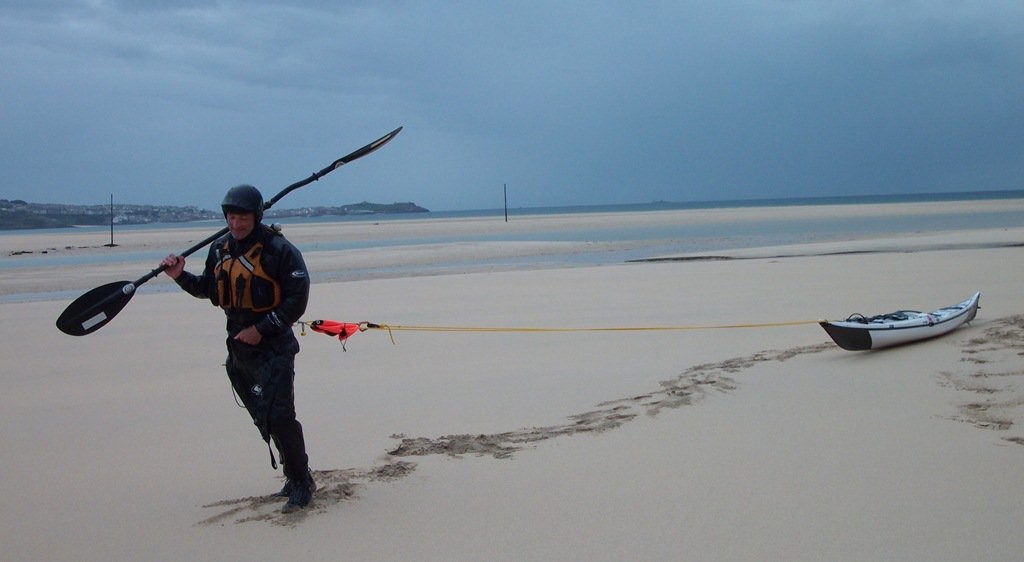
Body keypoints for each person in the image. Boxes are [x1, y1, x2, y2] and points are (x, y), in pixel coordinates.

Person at [161, 184, 316, 513]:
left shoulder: (279, 250)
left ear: (256, 215)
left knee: (281, 414)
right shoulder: (219, 250)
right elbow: (209, 289)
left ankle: (302, 482)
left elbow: (297, 300)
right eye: (231, 217)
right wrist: (179, 276)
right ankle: (292, 475)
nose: (236, 224)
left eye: (243, 217)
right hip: (239, 350)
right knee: (265, 416)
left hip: (274, 345)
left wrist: (261, 330)